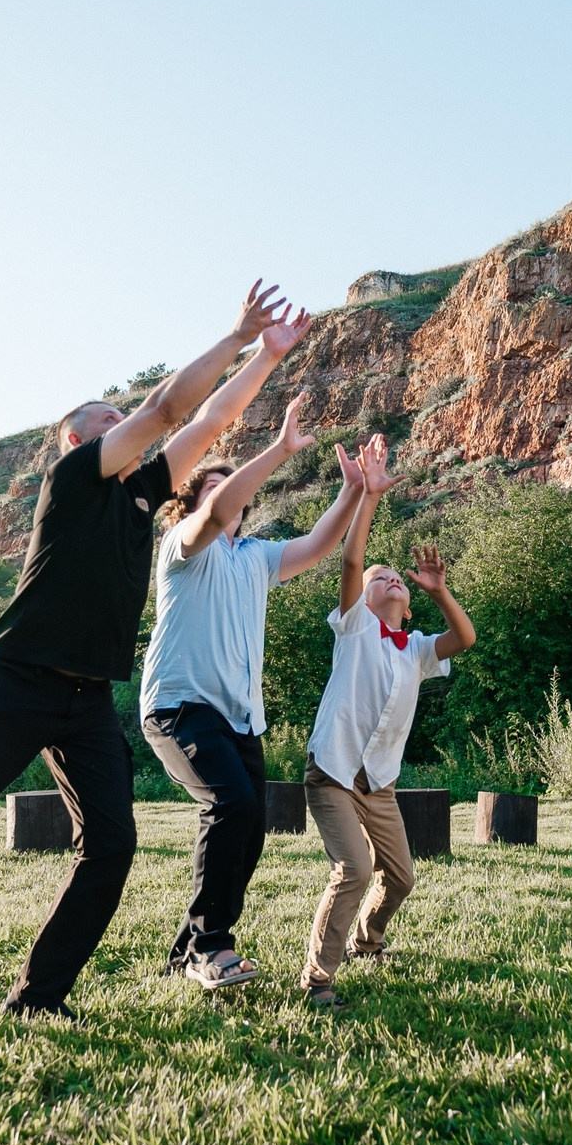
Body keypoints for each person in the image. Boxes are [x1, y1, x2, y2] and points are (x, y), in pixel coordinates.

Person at [0, 283, 312, 1018]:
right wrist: (237, 334)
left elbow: (211, 418)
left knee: (111, 845)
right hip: (16, 684)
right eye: (108, 417)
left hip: (87, 701)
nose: (126, 421)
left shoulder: (145, 491)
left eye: (122, 415)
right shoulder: (72, 478)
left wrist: (266, 358)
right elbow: (168, 410)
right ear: (83, 441)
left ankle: (37, 998)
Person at [139, 394, 369, 990]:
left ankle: (187, 950)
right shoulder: (184, 549)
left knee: (249, 826)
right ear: (193, 501)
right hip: (179, 705)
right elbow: (216, 512)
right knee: (231, 806)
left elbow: (318, 546)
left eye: (236, 488)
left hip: (241, 719)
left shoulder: (255, 557)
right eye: (217, 486)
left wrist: (355, 491)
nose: (231, 497)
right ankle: (212, 945)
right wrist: (279, 450)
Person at [298, 439, 476, 1010]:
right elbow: (351, 561)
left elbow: (465, 639)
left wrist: (442, 590)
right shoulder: (354, 628)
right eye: (382, 577)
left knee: (399, 877)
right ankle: (318, 978)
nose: (390, 579)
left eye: (398, 577)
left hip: (379, 784)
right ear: (366, 596)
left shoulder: (417, 649)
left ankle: (367, 941)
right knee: (354, 869)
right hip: (331, 774)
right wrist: (369, 496)